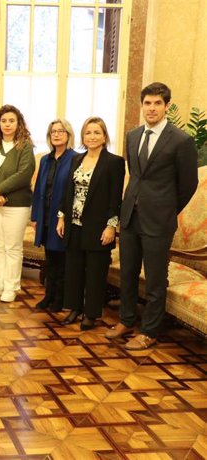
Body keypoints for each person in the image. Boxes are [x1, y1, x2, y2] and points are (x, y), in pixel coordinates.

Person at [107, 82, 198, 349]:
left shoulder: (181, 140)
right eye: (147, 103)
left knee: (156, 279)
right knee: (128, 273)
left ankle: (149, 331)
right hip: (130, 216)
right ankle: (126, 320)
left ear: (166, 106)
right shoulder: (133, 135)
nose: (152, 108)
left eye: (158, 103)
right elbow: (135, 176)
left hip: (159, 221)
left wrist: (167, 209)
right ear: (141, 105)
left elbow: (188, 184)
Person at [56, 117, 125, 330]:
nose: (92, 136)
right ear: (83, 137)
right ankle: (74, 308)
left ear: (104, 136)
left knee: (95, 272)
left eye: (97, 132)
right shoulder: (77, 159)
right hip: (74, 224)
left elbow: (115, 198)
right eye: (88, 133)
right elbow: (68, 191)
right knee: (74, 269)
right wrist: (62, 217)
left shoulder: (114, 162)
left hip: (99, 227)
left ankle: (91, 314)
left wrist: (111, 226)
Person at [0, 104, 35, 302]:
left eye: (11, 120)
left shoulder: (25, 146)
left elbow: (24, 174)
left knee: (12, 246)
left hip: (16, 205)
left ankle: (11, 287)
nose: (7, 124)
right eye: (3, 121)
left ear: (19, 123)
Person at [31, 119, 78, 312]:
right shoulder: (45, 159)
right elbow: (38, 189)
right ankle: (48, 296)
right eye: (53, 132)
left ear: (68, 134)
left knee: (61, 259)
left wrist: (64, 216)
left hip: (63, 218)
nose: (56, 134)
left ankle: (60, 299)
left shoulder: (76, 158)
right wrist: (35, 217)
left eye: (61, 131)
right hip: (46, 215)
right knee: (50, 258)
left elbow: (73, 191)